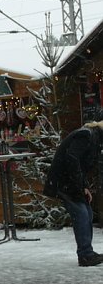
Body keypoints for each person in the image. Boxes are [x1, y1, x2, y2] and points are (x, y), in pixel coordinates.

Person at [43, 111, 103, 266]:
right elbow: (72, 159)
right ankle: (85, 255)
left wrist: (84, 186)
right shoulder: (87, 136)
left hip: (70, 181)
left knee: (87, 213)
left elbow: (79, 164)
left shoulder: (93, 136)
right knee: (82, 214)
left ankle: (86, 252)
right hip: (64, 181)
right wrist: (79, 186)